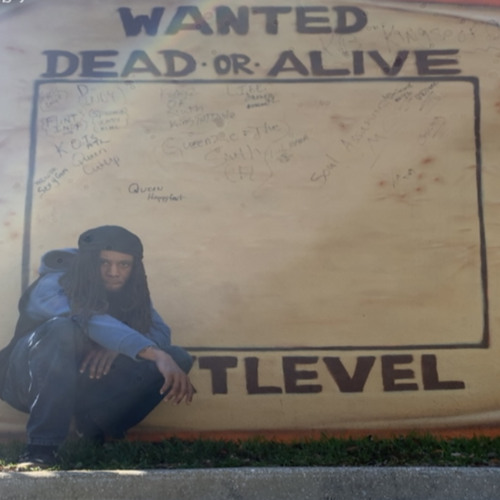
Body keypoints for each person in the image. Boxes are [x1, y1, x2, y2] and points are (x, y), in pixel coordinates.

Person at [0, 225, 194, 469]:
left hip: (84, 381)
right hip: (23, 383)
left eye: (124, 265)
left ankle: (92, 424)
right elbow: (86, 318)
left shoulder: (133, 290)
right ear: (90, 262)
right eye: (104, 263)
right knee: (62, 329)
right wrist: (150, 351)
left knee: (177, 357)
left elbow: (160, 332)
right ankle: (41, 448)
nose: (114, 272)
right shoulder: (54, 283)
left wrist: (116, 348)